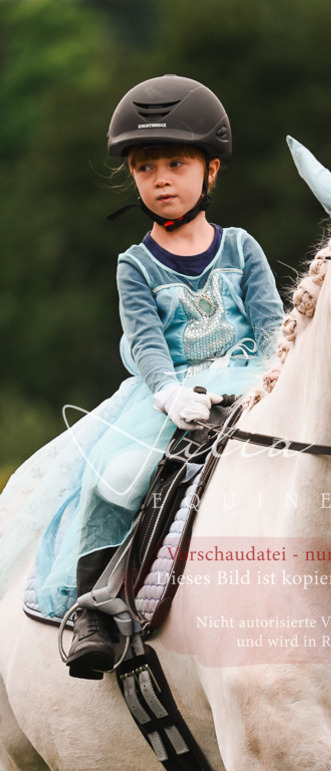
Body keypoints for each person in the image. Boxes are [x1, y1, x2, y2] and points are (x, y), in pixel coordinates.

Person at [5, 75, 283, 678]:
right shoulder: (134, 264)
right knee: (113, 477)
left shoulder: (242, 249)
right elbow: (149, 342)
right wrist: (168, 391)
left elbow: (272, 331)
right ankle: (93, 611)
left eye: (175, 164)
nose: (160, 179)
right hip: (167, 395)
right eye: (144, 166)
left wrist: (265, 386)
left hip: (249, 385)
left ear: (210, 170)